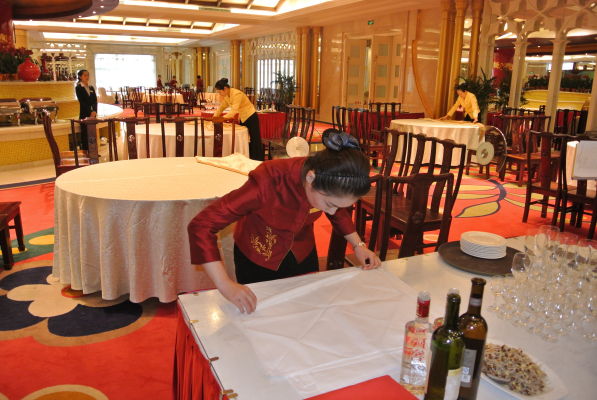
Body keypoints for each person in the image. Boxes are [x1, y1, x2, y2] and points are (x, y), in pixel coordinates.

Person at [188, 130, 382, 314]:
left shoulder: (328, 182)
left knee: (306, 310)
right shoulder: (268, 180)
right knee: (263, 316)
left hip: (302, 251)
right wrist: (224, 284)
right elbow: (202, 225)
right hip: (259, 256)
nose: (331, 212)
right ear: (311, 178)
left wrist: (358, 245)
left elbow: (337, 210)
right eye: (329, 205)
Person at [212, 78, 264, 161]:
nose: (220, 94)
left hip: (251, 116)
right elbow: (221, 108)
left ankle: (257, 160)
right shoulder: (227, 96)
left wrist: (221, 119)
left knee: (254, 140)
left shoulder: (237, 94)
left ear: (225, 88)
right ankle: (248, 158)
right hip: (243, 118)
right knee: (246, 140)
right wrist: (214, 118)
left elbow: (233, 111)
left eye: (220, 92)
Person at [75, 69, 97, 151]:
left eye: (88, 75)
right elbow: (82, 102)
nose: (87, 77)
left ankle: (93, 150)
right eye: (85, 75)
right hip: (84, 113)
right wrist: (90, 112)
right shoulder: (78, 88)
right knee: (85, 133)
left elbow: (95, 100)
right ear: (80, 77)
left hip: (92, 114)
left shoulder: (91, 87)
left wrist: (94, 111)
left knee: (92, 133)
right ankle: (86, 151)